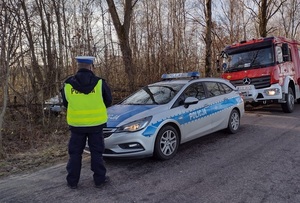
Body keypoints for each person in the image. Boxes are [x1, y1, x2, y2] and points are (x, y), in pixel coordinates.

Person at [61, 56, 112, 189]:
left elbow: (66, 103)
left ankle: (72, 182)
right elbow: (108, 101)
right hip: (96, 124)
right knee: (97, 153)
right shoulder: (100, 83)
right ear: (90, 67)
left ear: (78, 66)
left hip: (77, 125)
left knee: (75, 154)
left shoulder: (68, 84)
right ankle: (99, 180)